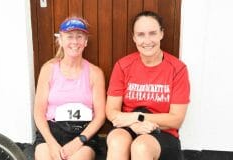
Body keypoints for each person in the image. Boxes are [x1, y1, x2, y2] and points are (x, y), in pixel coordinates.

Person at [106, 11, 190, 160]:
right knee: (118, 141)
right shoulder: (123, 66)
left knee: (141, 146)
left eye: (152, 33)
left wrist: (139, 117)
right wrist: (133, 123)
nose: (147, 40)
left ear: (161, 34)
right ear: (134, 37)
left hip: (162, 132)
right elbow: (111, 111)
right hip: (128, 126)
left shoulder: (177, 69)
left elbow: (176, 119)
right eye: (141, 34)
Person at [34, 16, 106, 160]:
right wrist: (51, 143)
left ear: (85, 42)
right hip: (52, 131)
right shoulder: (48, 69)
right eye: (69, 36)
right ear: (60, 40)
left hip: (83, 133)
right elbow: (38, 111)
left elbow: (100, 116)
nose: (74, 42)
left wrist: (79, 141)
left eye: (79, 37)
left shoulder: (95, 73)